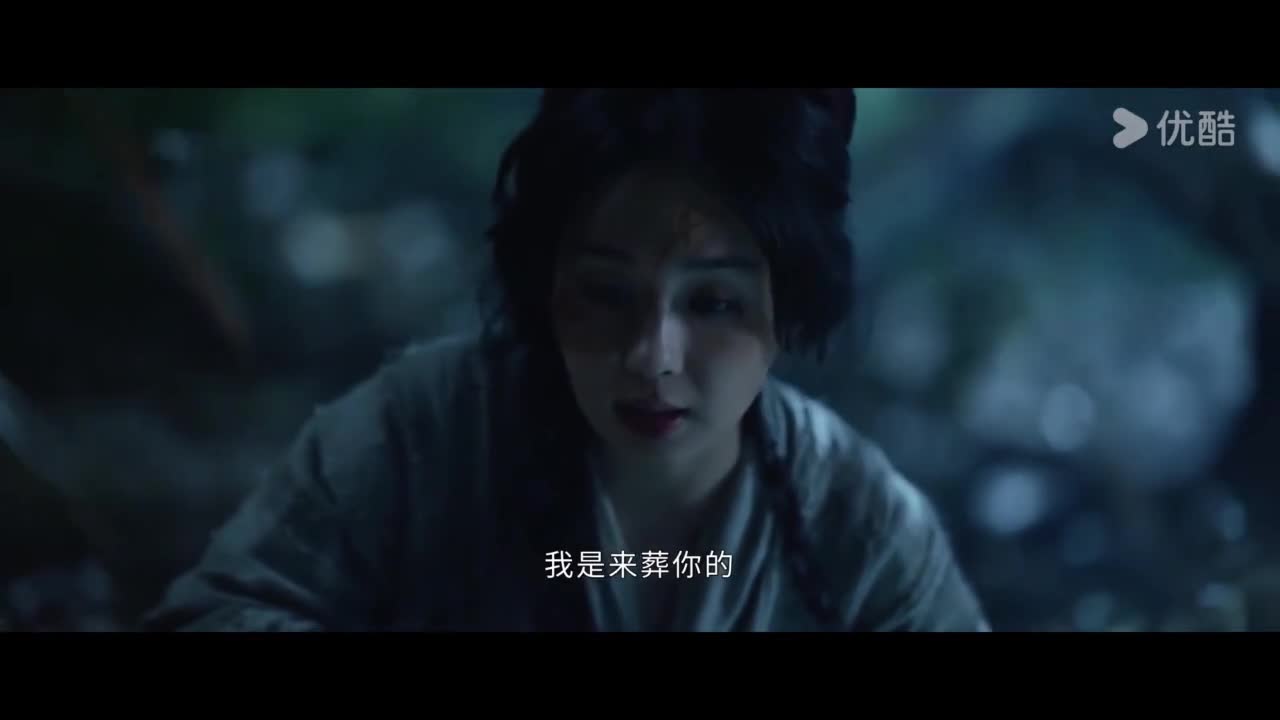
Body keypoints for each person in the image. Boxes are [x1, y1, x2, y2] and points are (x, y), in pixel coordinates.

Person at [144, 88, 990, 632]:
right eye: (606, 293)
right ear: (543, 283)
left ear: (786, 307)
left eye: (713, 304)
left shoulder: (860, 522)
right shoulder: (417, 435)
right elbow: (216, 614)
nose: (651, 357)